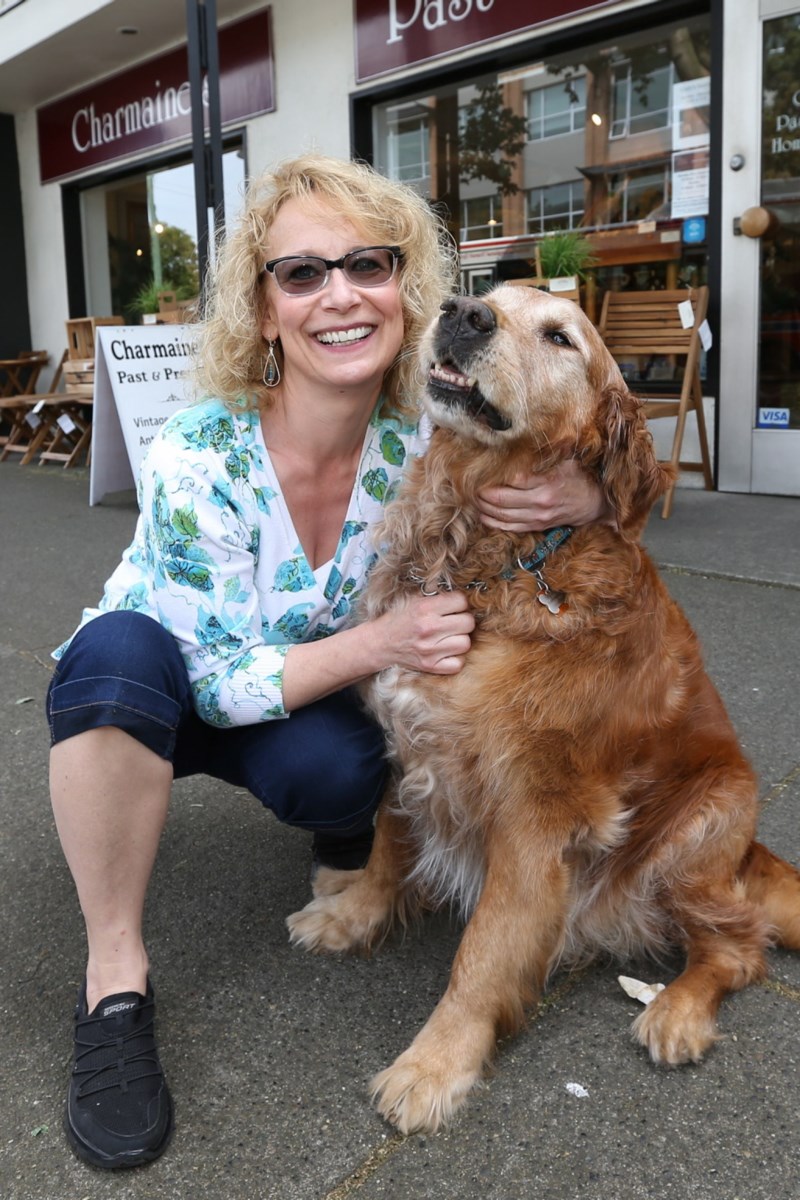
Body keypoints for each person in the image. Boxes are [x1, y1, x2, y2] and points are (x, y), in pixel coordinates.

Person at [46, 154, 608, 1169]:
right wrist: (382, 642)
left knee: (344, 769)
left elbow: (547, 463)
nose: (338, 294)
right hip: (161, 696)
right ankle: (114, 982)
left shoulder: (418, 447)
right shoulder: (195, 452)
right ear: (262, 312)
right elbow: (213, 681)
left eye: (367, 264)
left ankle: (339, 841)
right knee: (114, 661)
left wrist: (584, 498)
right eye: (300, 274)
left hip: (289, 696)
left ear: (404, 293)